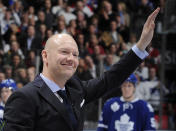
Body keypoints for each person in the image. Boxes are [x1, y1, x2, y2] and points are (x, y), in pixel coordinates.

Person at [3, 8, 160, 131]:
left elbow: (110, 78)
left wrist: (141, 46)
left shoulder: (76, 88)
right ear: (45, 56)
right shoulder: (24, 98)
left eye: (75, 54)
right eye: (64, 52)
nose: (71, 58)